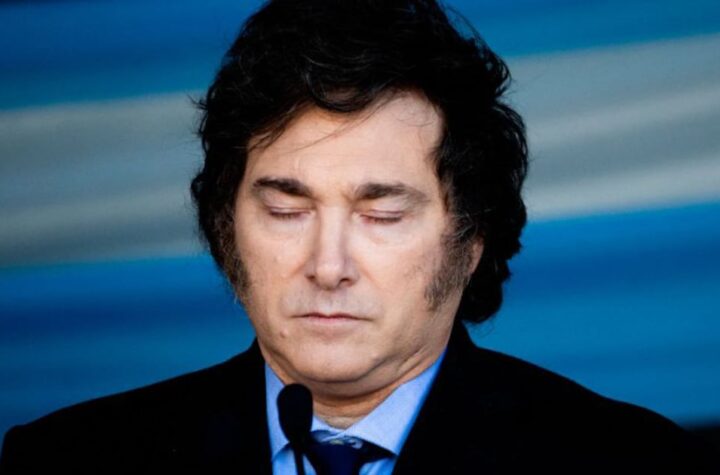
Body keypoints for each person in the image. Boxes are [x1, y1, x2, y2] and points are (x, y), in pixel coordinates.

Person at [0, 0, 715, 473]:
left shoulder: (633, 463)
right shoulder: (67, 460)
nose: (327, 265)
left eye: (381, 213)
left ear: (472, 240)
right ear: (225, 227)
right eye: (287, 209)